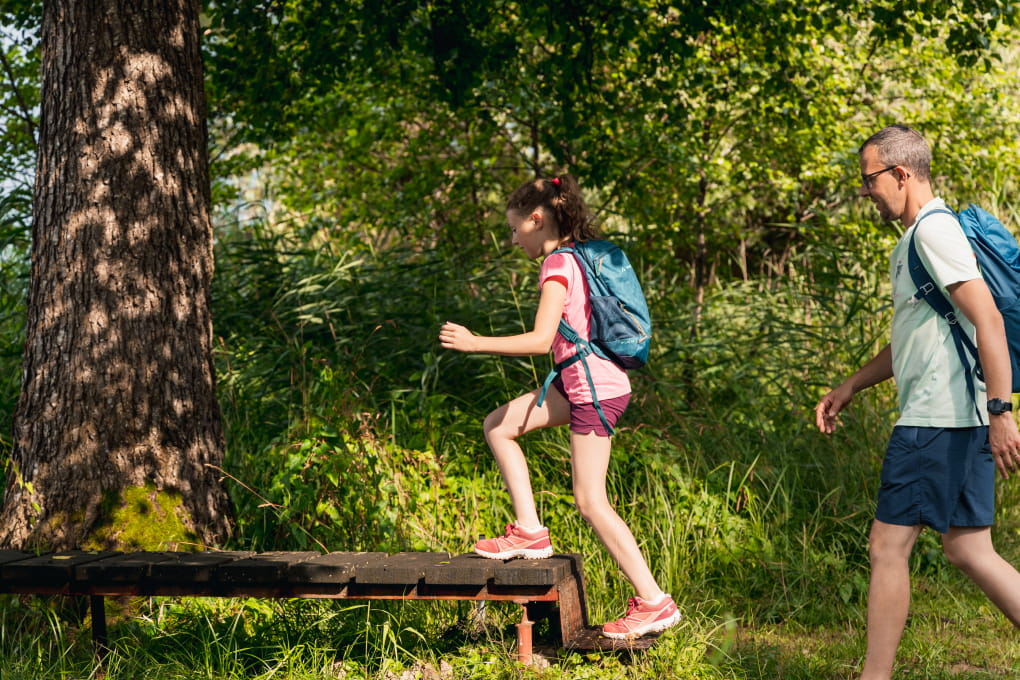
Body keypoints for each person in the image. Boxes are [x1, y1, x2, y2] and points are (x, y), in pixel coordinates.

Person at [815, 124, 1020, 679]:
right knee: (970, 551)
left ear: (901, 174)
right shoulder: (921, 237)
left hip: (938, 418)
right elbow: (915, 334)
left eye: (870, 180)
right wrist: (853, 383)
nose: (866, 192)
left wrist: (1001, 413)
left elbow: (990, 321)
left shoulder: (933, 233)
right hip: (955, 415)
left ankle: (873, 677)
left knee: (887, 545)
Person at [438, 174, 679, 639]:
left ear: (536, 219)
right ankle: (529, 529)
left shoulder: (556, 266)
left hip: (592, 388)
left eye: (514, 229)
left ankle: (654, 601)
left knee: (590, 501)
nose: (512, 239)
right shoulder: (577, 258)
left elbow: (540, 339)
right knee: (498, 425)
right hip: (583, 381)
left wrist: (474, 343)